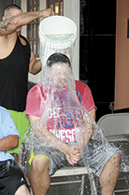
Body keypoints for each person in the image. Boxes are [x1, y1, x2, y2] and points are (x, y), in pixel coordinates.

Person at [25, 53, 121, 195]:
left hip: (79, 143)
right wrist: (65, 148)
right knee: (38, 164)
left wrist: (78, 147)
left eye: (66, 72)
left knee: (113, 154)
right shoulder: (36, 92)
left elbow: (89, 122)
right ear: (48, 73)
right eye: (58, 73)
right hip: (50, 146)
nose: (63, 76)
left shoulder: (82, 88)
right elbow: (39, 129)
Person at [0, 4, 54, 157]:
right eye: (14, 17)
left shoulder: (24, 42)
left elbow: (33, 67)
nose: (19, 21)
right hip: (1, 106)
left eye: (21, 16)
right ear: (5, 19)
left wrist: (47, 53)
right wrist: (40, 13)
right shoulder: (0, 35)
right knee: (3, 154)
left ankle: (22, 180)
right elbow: (15, 22)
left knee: (23, 151)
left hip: (22, 106)